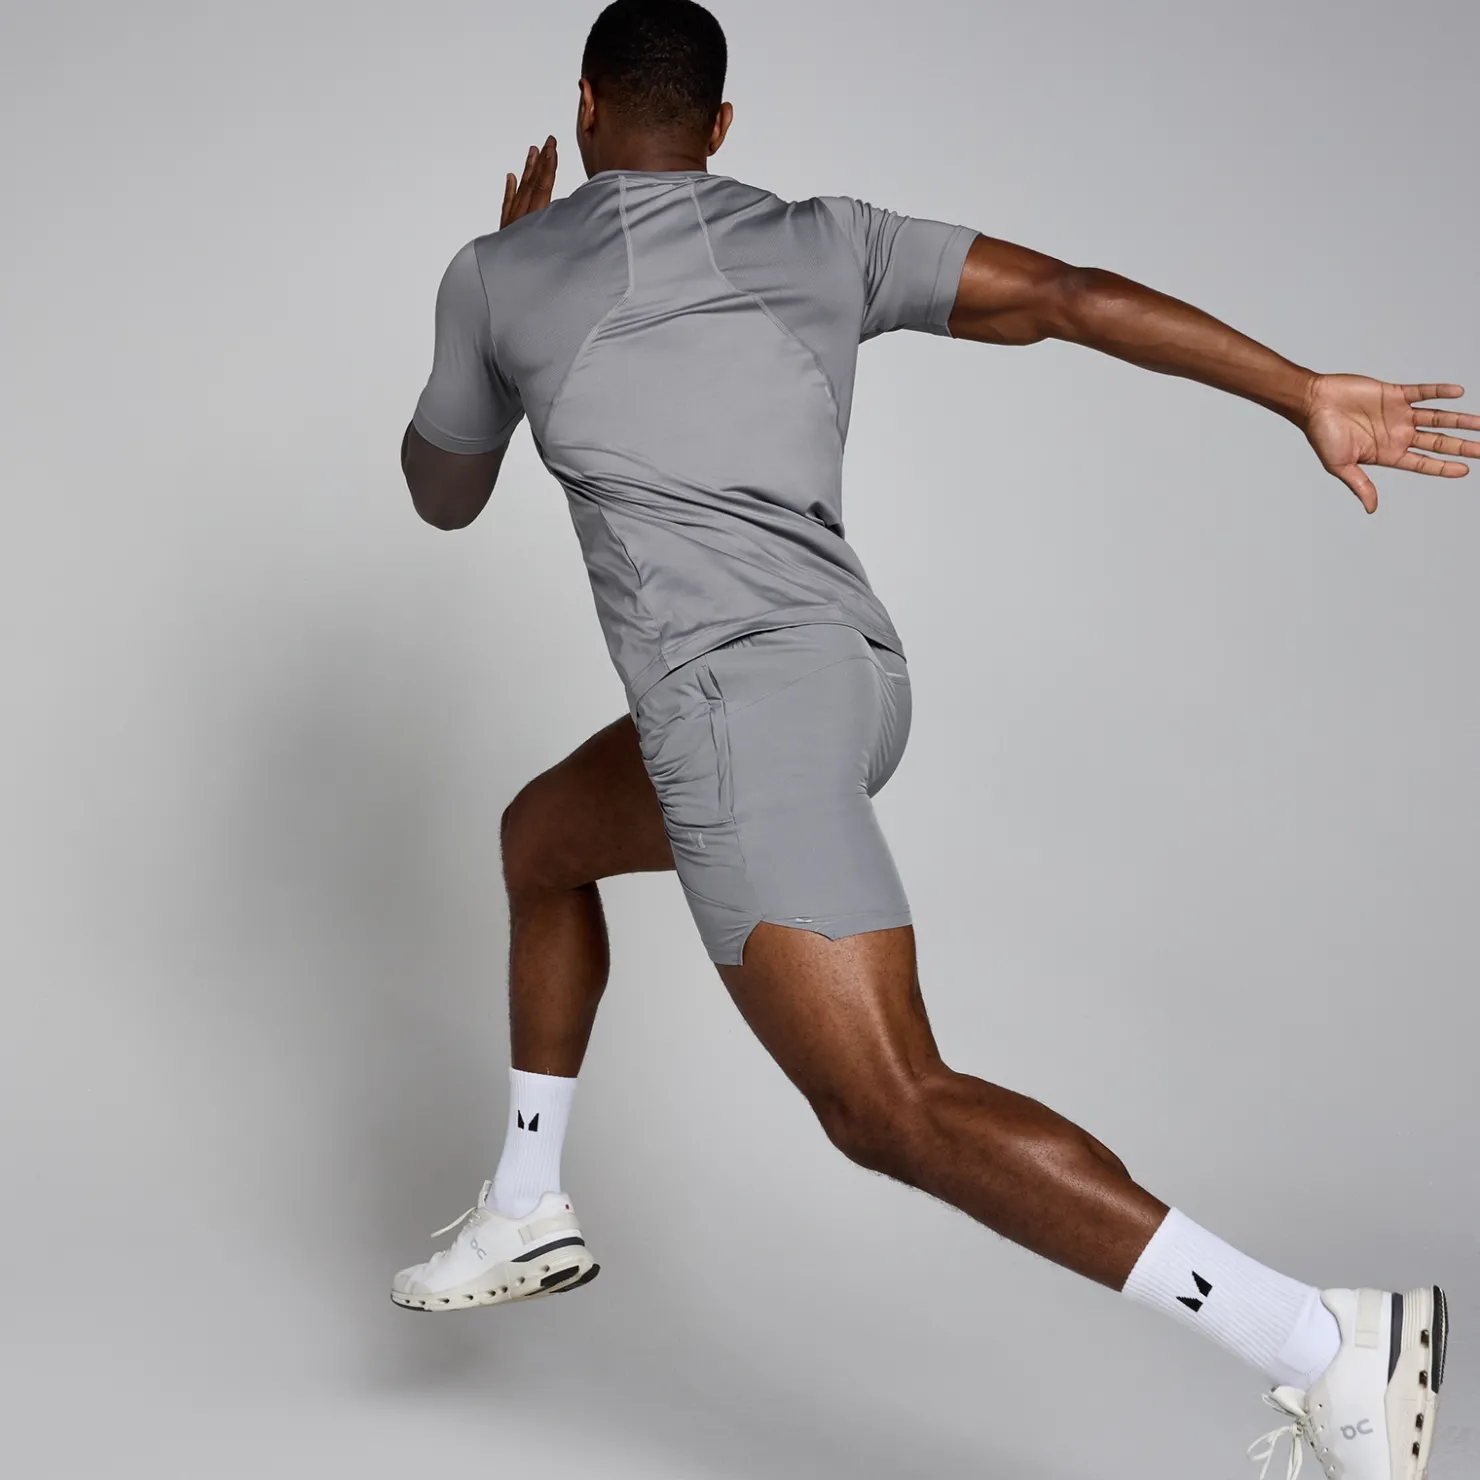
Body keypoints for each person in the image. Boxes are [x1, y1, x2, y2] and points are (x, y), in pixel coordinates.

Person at [391, 2, 1472, 1474]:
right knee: (544, 840)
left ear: (584, 106)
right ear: (721, 128)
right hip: (852, 679)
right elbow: (1069, 297)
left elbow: (443, 496)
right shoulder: (825, 237)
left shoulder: (498, 272)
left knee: (888, 1103)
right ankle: (528, 1206)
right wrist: (1299, 392)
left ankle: (1324, 1344)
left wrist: (501, 306)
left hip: (733, 714)